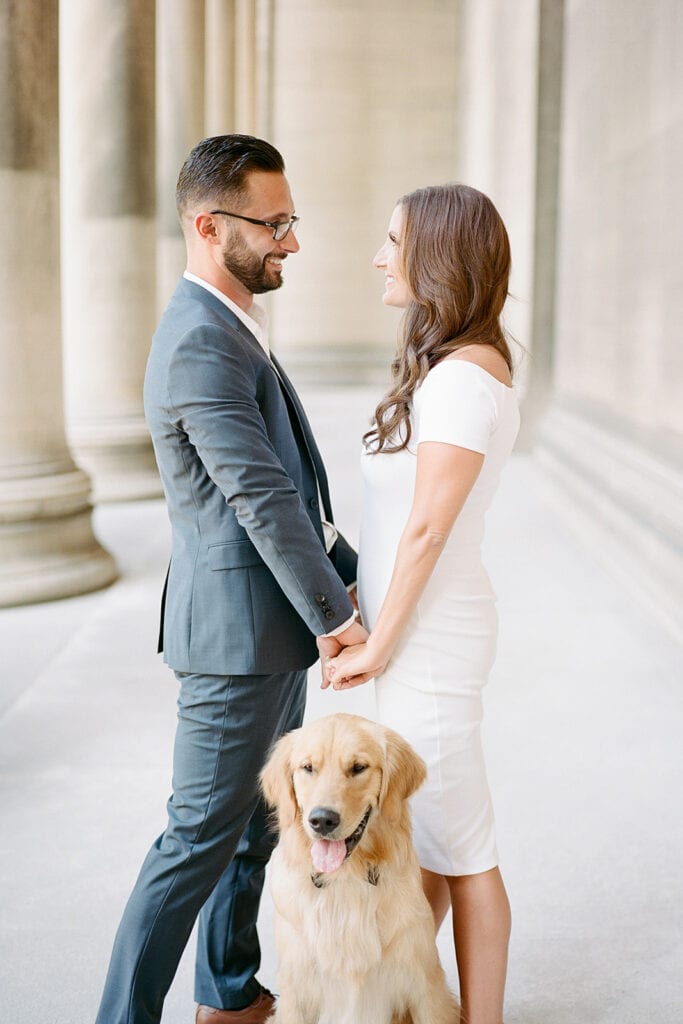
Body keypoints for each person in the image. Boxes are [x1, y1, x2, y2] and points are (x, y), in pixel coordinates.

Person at [95, 134, 367, 1024]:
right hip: (236, 638)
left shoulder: (228, 323)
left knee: (256, 825)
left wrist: (343, 580)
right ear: (211, 226)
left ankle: (228, 993)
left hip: (268, 626)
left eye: (292, 220)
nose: (290, 241)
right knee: (195, 840)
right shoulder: (199, 342)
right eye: (274, 223)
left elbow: (289, 489)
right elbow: (258, 497)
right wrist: (337, 618)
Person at [327, 183, 520, 1024]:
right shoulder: (454, 370)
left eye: (392, 241)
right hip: (424, 633)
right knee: (433, 842)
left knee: (463, 849)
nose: (378, 255)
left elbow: (425, 533)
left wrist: (379, 645)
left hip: (432, 641)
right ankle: (399, 1001)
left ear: (437, 257)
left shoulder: (460, 385)